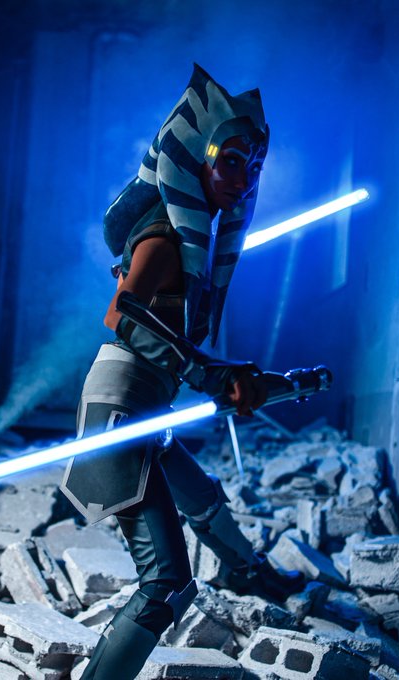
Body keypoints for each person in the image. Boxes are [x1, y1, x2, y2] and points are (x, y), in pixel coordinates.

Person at [60, 64, 303, 680]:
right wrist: (212, 374)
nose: (243, 179)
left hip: (144, 411)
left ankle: (252, 574)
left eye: (254, 166)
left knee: (202, 496)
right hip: (120, 413)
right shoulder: (164, 237)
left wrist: (231, 378)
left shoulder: (183, 242)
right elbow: (121, 313)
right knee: (166, 584)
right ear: (197, 159)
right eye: (231, 161)